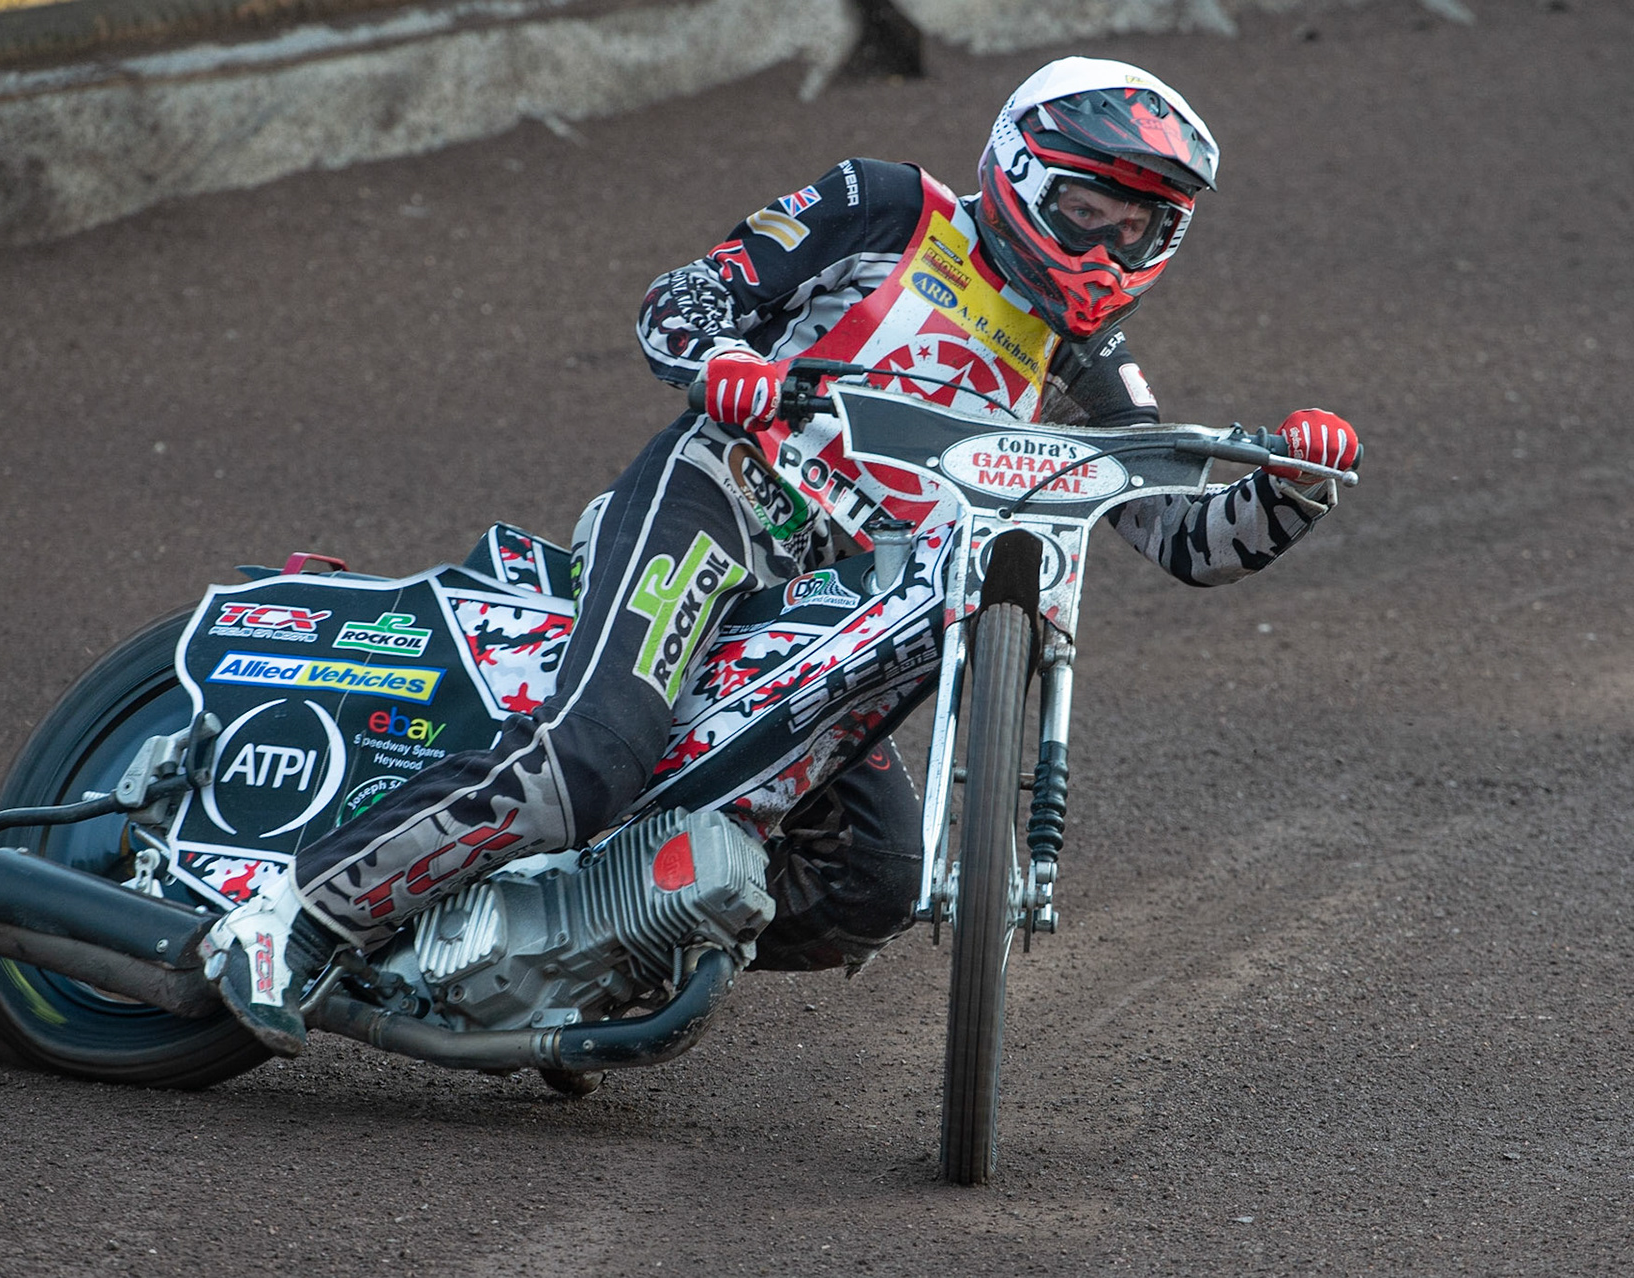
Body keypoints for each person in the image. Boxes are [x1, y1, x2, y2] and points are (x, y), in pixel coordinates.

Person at [201, 56, 1362, 1056]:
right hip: (726, 502)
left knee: (872, 883)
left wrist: (1291, 486)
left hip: (847, 611)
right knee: (590, 760)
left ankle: (591, 954)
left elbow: (1186, 539)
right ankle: (289, 917)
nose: (1108, 245)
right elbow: (683, 298)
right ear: (1017, 168)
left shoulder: (1089, 361)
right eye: (1087, 209)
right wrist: (722, 360)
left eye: (1139, 226)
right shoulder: (888, 206)